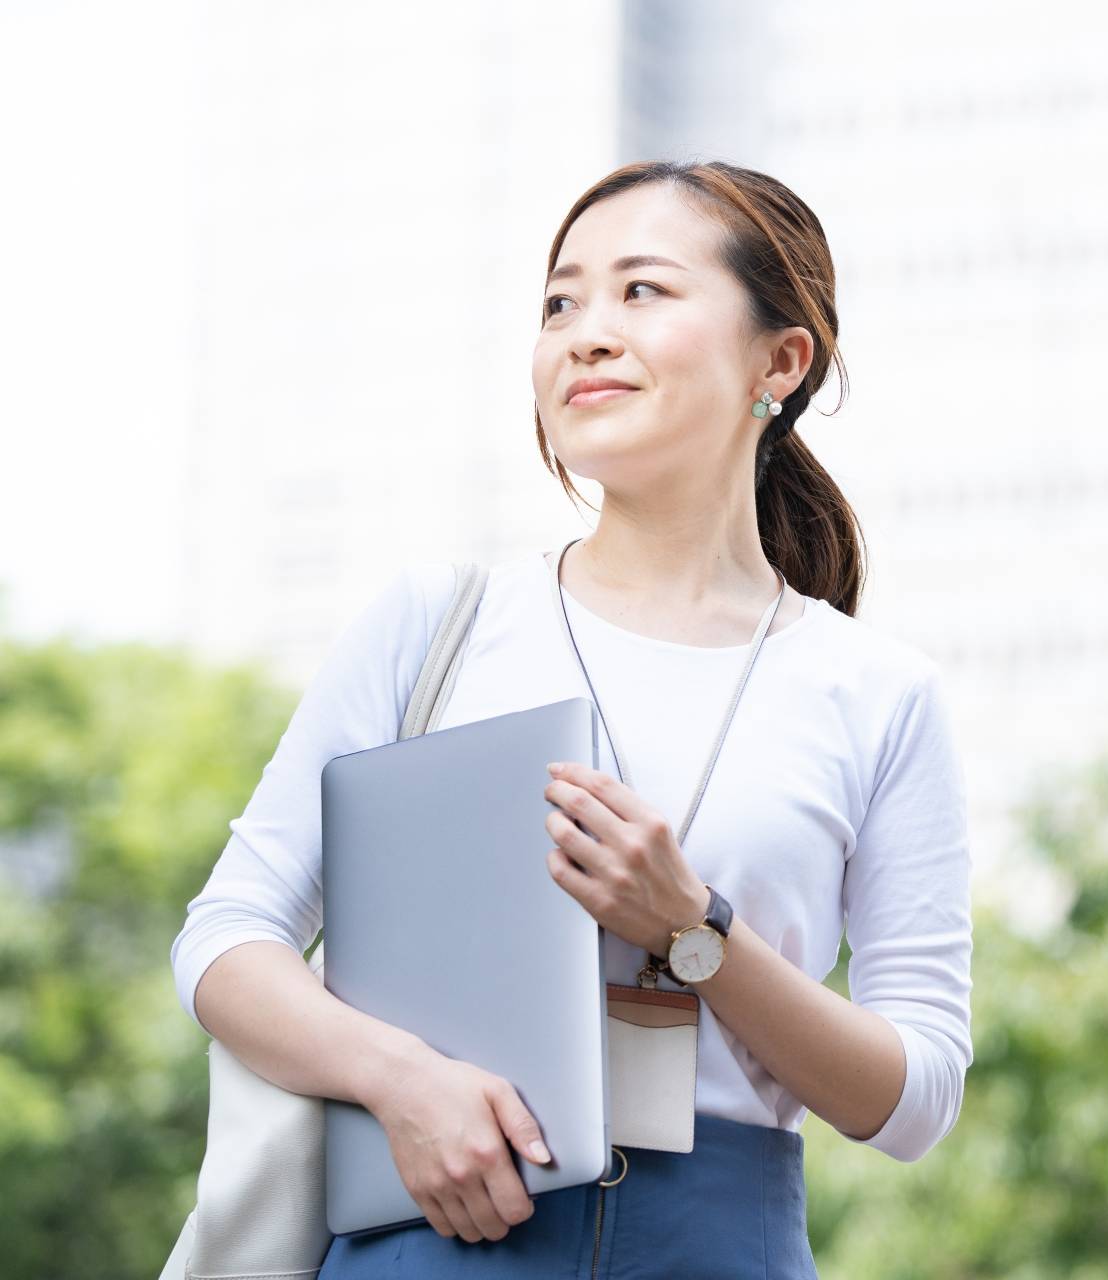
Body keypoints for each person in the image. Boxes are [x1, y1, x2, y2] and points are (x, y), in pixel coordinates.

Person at [170, 160, 974, 1278]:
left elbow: (917, 1097)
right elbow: (225, 938)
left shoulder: (878, 692)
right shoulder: (439, 624)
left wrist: (694, 930)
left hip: (716, 1248)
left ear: (780, 362)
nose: (587, 334)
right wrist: (400, 1081)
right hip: (436, 1230)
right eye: (560, 303)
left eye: (643, 290)